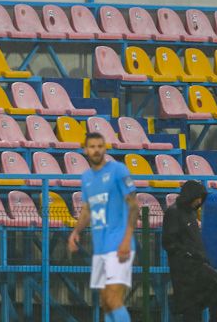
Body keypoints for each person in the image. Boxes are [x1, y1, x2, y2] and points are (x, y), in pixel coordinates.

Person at [68, 132, 138, 322]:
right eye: (92, 147)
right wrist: (76, 231)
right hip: (100, 248)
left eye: (100, 146)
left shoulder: (118, 170)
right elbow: (87, 210)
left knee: (113, 299)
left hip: (119, 244)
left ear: (105, 148)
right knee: (105, 303)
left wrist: (126, 240)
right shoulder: (86, 178)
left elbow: (134, 206)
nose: (96, 150)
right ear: (85, 150)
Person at [163, 181, 217, 322]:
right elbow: (169, 242)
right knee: (191, 308)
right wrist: (188, 254)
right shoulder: (173, 212)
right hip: (185, 269)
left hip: (198, 266)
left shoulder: (191, 214)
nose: (199, 201)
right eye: (198, 197)